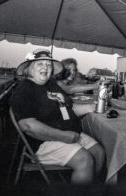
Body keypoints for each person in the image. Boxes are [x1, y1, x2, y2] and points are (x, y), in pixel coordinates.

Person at [9, 49, 105, 184]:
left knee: (99, 153)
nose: (45, 68)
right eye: (40, 64)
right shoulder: (24, 90)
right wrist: (64, 136)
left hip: (69, 133)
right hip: (43, 142)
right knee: (84, 159)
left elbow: (68, 109)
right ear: (28, 69)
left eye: (48, 65)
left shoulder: (51, 85)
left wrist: (92, 108)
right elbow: (28, 126)